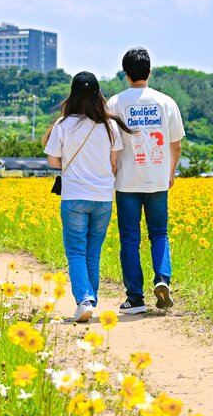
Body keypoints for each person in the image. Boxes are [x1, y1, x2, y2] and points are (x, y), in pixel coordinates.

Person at [44, 71, 130, 323]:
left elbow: (52, 162)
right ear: (97, 95)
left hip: (74, 198)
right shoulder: (110, 125)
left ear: (73, 95)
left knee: (76, 252)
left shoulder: (62, 125)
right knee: (93, 252)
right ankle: (90, 299)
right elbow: (114, 165)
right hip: (103, 197)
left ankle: (84, 300)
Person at [107, 47, 185, 314]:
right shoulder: (166, 102)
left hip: (127, 182)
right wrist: (170, 173)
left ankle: (135, 298)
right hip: (158, 180)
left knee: (129, 238)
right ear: (150, 72)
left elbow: (112, 147)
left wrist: (113, 171)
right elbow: (175, 145)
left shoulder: (115, 103)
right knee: (159, 234)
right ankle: (162, 280)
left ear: (126, 74)